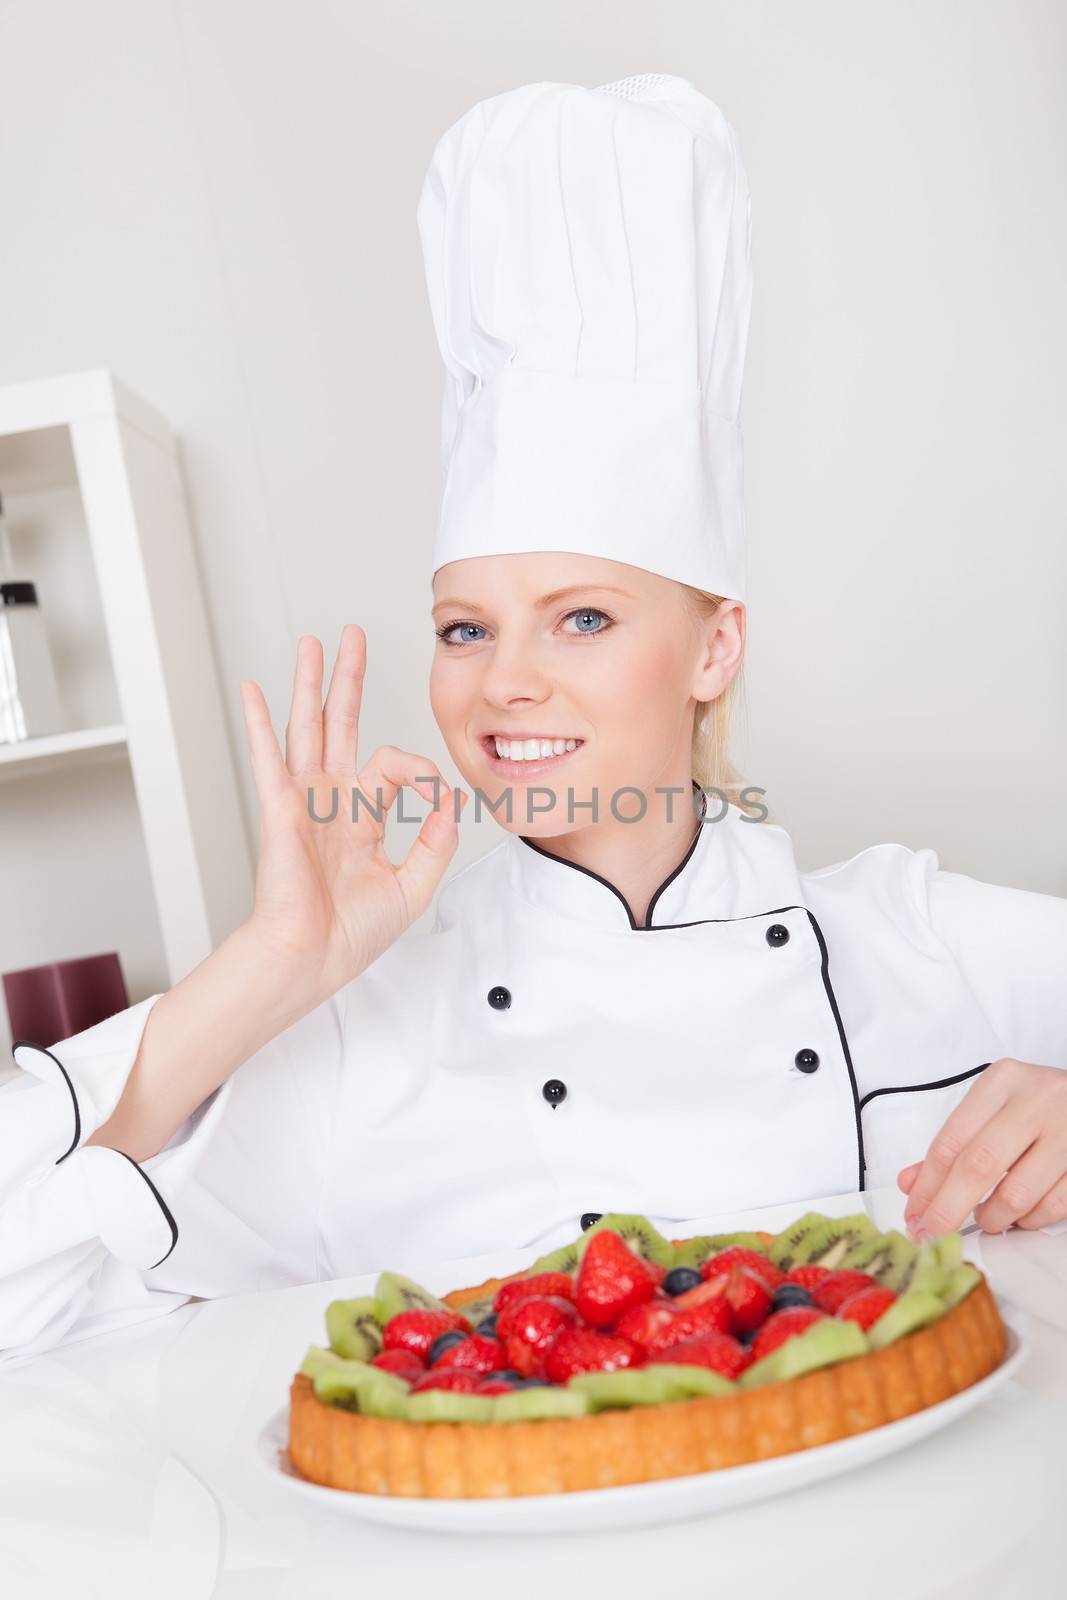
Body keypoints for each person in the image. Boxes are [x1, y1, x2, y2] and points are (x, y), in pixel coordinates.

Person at [2, 76, 1065, 1364]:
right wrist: (264, 970)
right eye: (466, 628)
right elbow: (28, 1299)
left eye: (582, 618)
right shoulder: (372, 1034)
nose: (503, 680)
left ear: (715, 646)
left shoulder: (907, 938)